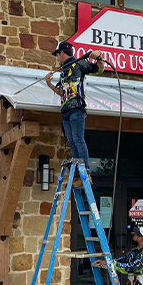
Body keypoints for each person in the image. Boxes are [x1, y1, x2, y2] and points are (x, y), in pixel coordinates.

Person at [45, 41, 104, 187]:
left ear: (62, 53)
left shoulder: (79, 64)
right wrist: (50, 84)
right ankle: (78, 172)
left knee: (78, 139)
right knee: (71, 141)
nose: (57, 58)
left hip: (77, 108)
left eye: (57, 55)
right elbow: (62, 93)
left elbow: (99, 69)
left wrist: (99, 57)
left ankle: (86, 171)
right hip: (65, 110)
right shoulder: (63, 71)